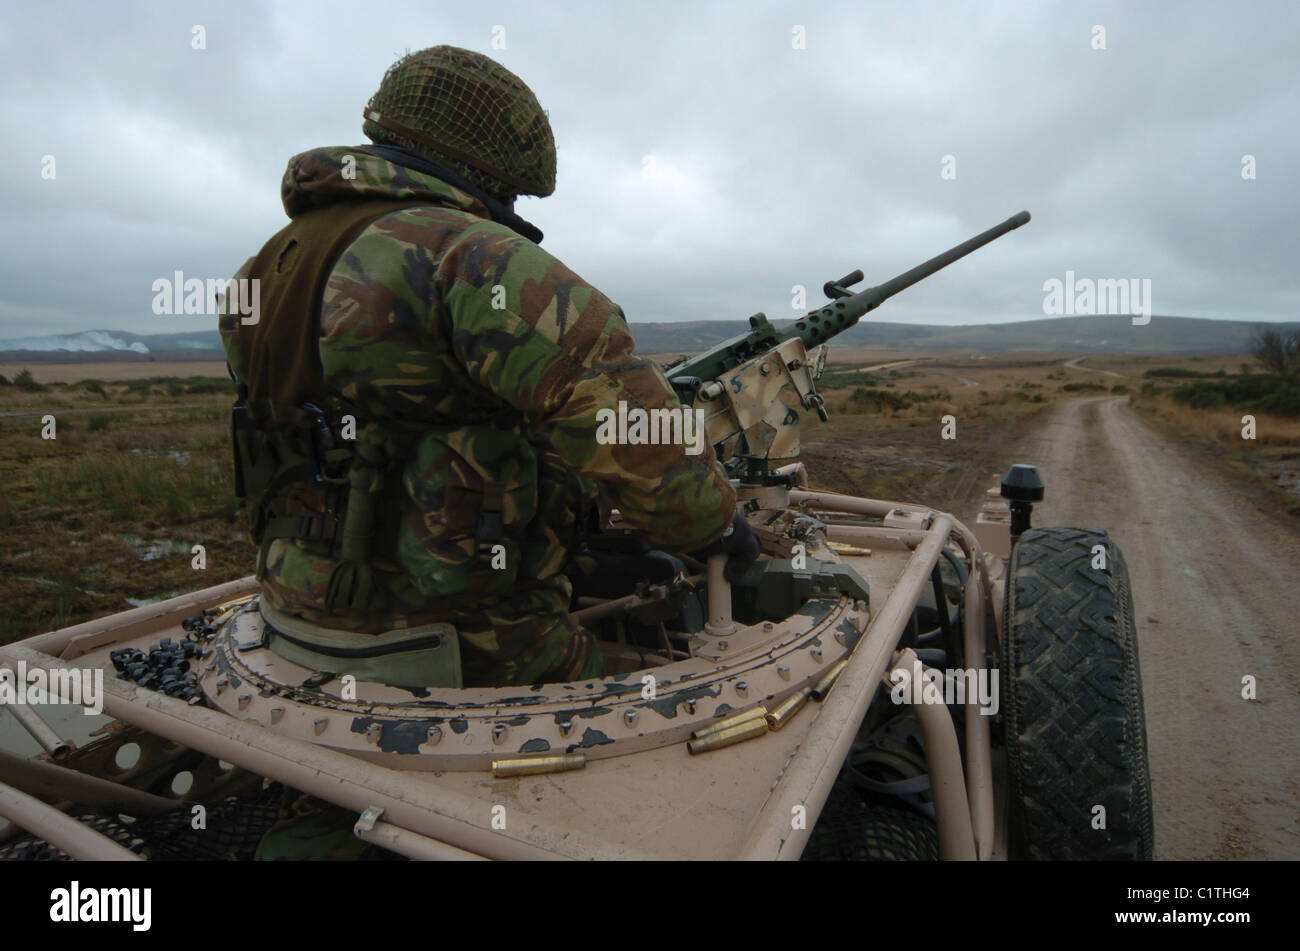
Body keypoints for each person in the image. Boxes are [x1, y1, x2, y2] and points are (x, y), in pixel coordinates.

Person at [218, 45, 756, 687]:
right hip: (464, 641)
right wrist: (719, 525)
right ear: (495, 163)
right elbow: (636, 438)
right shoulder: (473, 256)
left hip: (293, 613)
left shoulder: (270, 263)